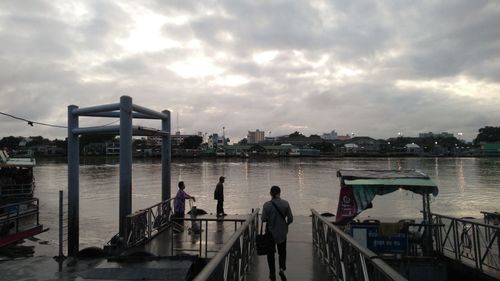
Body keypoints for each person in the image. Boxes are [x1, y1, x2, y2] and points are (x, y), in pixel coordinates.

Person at [262, 185, 293, 281]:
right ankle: (281, 268)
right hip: (282, 232)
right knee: (282, 251)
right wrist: (285, 225)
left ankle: (272, 272)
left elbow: (263, 219)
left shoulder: (266, 205)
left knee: (270, 253)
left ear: (270, 193)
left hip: (270, 233)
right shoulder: (285, 204)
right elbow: (290, 218)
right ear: (280, 192)